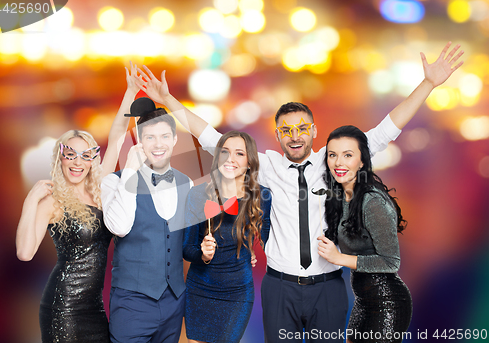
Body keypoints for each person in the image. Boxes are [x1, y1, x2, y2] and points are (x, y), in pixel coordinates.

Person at [135, 41, 463, 342]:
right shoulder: (267, 165)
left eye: (302, 128)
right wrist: (167, 101)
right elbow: (211, 138)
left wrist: (429, 84)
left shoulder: (335, 160)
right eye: (286, 130)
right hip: (280, 288)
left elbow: (385, 131)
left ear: (314, 130)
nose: (295, 136)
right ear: (277, 135)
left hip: (328, 286)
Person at [15, 62, 139, 342]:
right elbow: (24, 252)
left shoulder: (100, 191)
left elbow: (117, 136)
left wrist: (129, 93)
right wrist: (30, 201)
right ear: (60, 158)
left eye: (85, 155)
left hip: (94, 308)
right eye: (71, 155)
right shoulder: (53, 201)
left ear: (93, 160)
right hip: (63, 306)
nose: (78, 162)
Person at [101, 98, 193, 343]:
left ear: (175, 139)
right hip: (132, 303)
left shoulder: (188, 183)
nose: (158, 144)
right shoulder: (113, 181)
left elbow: (188, 244)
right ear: (139, 142)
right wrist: (130, 170)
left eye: (164, 136)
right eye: (150, 137)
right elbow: (119, 228)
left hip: (175, 302)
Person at [318, 125, 412, 343]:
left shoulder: (372, 201)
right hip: (363, 301)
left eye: (347, 155)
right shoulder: (340, 197)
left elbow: (391, 262)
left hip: (388, 302)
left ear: (362, 162)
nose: (338, 162)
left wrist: (339, 258)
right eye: (333, 155)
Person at [183, 131, 272, 343]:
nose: (230, 159)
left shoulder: (262, 196)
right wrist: (203, 255)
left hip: (237, 293)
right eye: (225, 152)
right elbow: (187, 249)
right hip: (199, 288)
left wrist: (252, 249)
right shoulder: (197, 194)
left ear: (249, 161)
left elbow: (272, 240)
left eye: (239, 153)